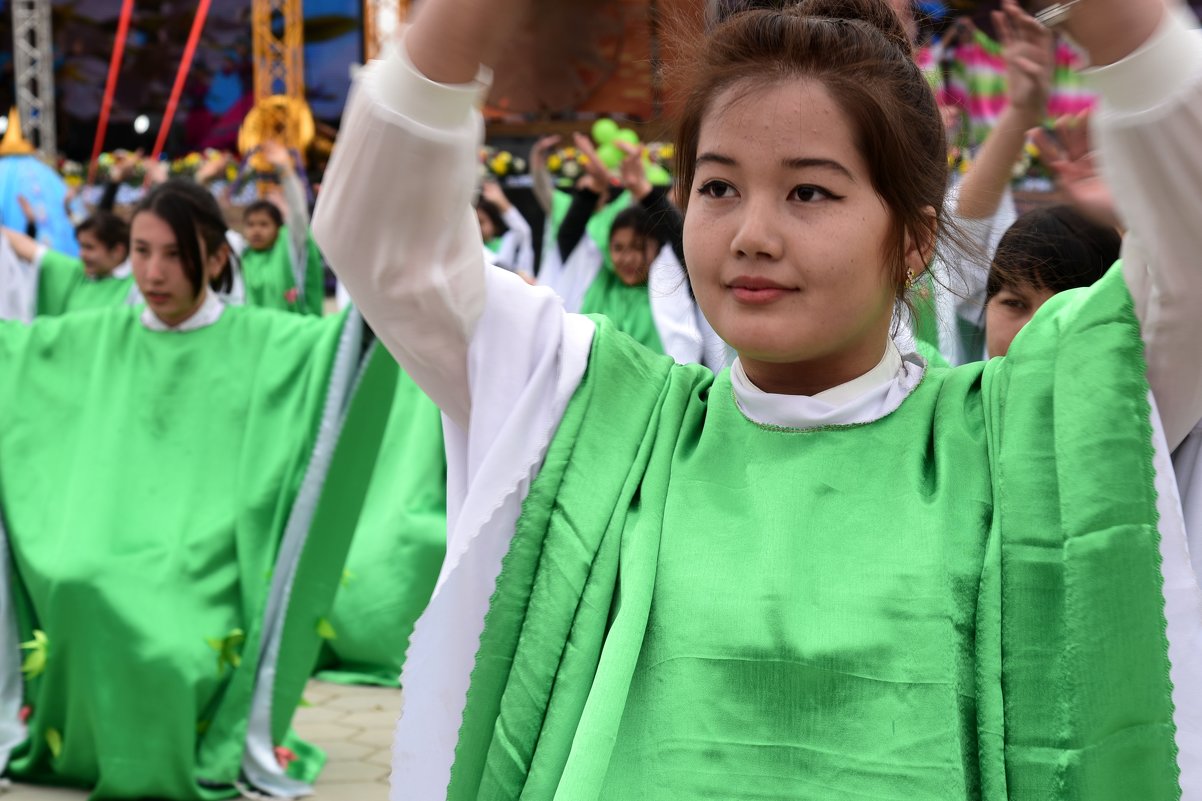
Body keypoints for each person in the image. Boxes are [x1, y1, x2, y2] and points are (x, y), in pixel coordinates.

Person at [314, 0, 1202, 799]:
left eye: (809, 190)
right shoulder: (596, 417)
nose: (752, 234)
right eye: (718, 186)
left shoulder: (1020, 432)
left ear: (913, 237)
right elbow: (386, 246)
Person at [0, 179, 376, 799]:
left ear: (217, 258)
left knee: (170, 643)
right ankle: (87, 748)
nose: (153, 271)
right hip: (108, 542)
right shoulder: (101, 334)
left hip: (205, 560)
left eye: (174, 254)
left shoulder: (263, 337)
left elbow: (345, 346)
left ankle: (174, 750)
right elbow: (20, 356)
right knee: (76, 579)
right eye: (142, 251)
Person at [544, 135, 720, 367]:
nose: (627, 258)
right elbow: (568, 239)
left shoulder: (669, 285)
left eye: (638, 247)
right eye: (618, 248)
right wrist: (593, 190)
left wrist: (642, 189)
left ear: (656, 248)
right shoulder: (597, 282)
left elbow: (680, 237)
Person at [239, 142, 325, 315]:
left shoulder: (288, 249)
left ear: (279, 228)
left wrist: (285, 170)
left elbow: (298, 216)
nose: (256, 230)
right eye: (251, 224)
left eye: (264, 224)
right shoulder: (241, 255)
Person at [1, 210, 138, 317]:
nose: (81, 254)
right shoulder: (77, 271)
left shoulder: (137, 287)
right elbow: (28, 248)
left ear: (117, 251)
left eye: (89, 247)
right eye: (80, 246)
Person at [477, 180, 535, 277]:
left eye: (481, 222)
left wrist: (502, 203)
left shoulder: (508, 242)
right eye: (474, 223)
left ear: (494, 223)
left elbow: (523, 231)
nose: (478, 228)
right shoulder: (473, 249)